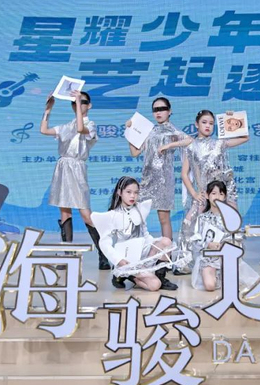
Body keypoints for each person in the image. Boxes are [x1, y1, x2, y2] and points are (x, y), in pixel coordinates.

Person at [41, 91, 110, 269]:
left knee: (86, 214)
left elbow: (81, 129)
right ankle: (68, 255)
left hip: (77, 168)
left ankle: (104, 254)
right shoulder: (67, 126)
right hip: (63, 167)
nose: (78, 104)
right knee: (65, 212)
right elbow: (44, 130)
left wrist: (78, 102)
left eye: (83, 102)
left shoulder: (90, 125)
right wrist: (48, 110)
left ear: (89, 105)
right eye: (74, 102)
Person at [176, 110, 249, 274]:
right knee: (189, 223)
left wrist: (232, 119)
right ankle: (187, 262)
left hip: (224, 192)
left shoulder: (219, 143)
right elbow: (184, 174)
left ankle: (233, 258)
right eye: (204, 122)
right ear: (196, 124)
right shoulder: (191, 146)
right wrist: (195, 194)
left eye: (211, 123)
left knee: (232, 223)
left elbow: (245, 138)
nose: (208, 126)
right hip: (204, 193)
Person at [91, 176, 176, 291]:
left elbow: (145, 234)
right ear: (119, 192)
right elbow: (104, 243)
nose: (132, 196)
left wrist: (155, 247)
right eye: (128, 192)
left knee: (166, 242)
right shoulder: (112, 215)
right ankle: (128, 275)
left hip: (142, 251)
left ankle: (160, 277)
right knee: (154, 285)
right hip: (127, 258)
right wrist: (118, 260)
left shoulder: (140, 209)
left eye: (136, 193)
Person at [126, 97, 192, 241]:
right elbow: (135, 153)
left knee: (163, 218)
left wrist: (169, 145)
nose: (158, 112)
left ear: (169, 111)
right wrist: (130, 132)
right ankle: (135, 249)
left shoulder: (173, 131)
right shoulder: (149, 131)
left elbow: (189, 140)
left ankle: (167, 251)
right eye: (155, 110)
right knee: (136, 214)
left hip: (164, 180)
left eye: (162, 109)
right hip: (147, 178)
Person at [190, 180, 258, 291]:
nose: (217, 197)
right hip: (209, 259)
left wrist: (226, 245)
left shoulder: (230, 217)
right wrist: (208, 245)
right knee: (210, 286)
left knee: (233, 284)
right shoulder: (202, 218)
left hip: (226, 257)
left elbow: (237, 238)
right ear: (207, 195)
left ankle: (226, 275)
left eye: (221, 194)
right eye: (214, 193)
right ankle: (217, 276)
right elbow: (195, 241)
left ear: (225, 196)